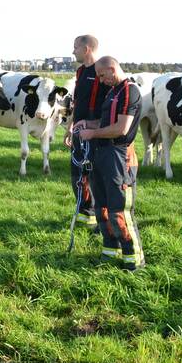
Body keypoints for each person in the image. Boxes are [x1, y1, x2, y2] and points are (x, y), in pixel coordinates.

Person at [74, 56, 145, 270]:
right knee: (102, 207)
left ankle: (133, 259)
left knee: (119, 210)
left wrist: (92, 133)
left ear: (112, 69)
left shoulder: (129, 91)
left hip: (119, 155)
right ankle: (110, 250)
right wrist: (87, 123)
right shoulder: (113, 91)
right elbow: (106, 123)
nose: (101, 80)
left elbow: (121, 128)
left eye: (103, 75)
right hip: (101, 153)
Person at [64, 35, 109, 227]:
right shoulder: (81, 71)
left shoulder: (102, 71)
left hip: (96, 134)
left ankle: (103, 220)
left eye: (76, 47)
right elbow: (78, 103)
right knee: (78, 174)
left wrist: (97, 128)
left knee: (96, 176)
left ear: (87, 49)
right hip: (78, 132)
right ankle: (85, 214)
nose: (73, 51)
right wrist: (70, 127)